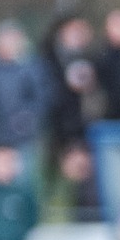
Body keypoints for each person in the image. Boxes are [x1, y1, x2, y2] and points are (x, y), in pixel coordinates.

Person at [0, 23, 49, 159]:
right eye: (5, 40)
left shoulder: (32, 69)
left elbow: (42, 97)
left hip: (26, 139)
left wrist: (27, 117)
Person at [43, 14, 103, 150]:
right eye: (74, 31)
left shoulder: (98, 57)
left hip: (89, 125)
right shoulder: (49, 60)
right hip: (58, 126)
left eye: (82, 31)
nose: (78, 35)